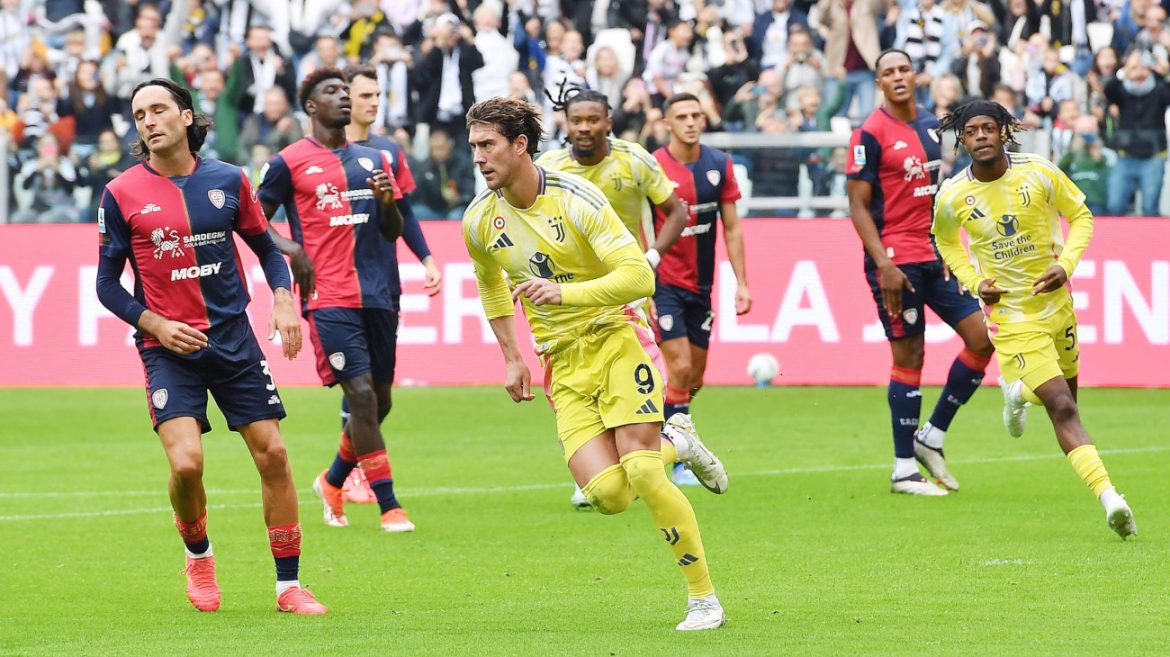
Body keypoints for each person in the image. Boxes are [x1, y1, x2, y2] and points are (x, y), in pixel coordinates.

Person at [462, 96, 729, 631]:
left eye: (488, 145)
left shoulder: (575, 197)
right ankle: (679, 440)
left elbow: (639, 277)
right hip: (561, 361)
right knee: (607, 495)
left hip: (616, 336)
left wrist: (567, 294)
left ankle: (704, 600)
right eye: (474, 146)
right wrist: (512, 356)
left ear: (520, 145)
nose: (478, 157)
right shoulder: (480, 220)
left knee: (643, 470)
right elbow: (490, 284)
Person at [94, 78, 326, 614]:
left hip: (233, 341)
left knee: (274, 454)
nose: (149, 121)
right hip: (168, 349)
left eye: (158, 109)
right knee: (186, 465)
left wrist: (284, 299)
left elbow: (267, 250)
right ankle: (198, 556)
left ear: (186, 116)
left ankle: (289, 586)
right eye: (140, 115)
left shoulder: (229, 179)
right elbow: (105, 285)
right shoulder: (121, 193)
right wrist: (155, 324)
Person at [933, 99, 1137, 539]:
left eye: (989, 127)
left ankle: (1017, 392)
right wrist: (974, 281)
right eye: (971, 131)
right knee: (1062, 406)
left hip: (1058, 306)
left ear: (1004, 131)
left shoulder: (1039, 171)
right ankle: (1111, 499)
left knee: (1068, 401)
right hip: (1011, 316)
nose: (981, 136)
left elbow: (1081, 215)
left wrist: (1065, 264)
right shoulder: (952, 195)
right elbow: (945, 241)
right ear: (962, 140)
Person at [257, 67, 412, 533]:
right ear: (310, 106)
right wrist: (293, 249)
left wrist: (388, 204)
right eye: (333, 91)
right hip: (327, 295)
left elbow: (393, 231)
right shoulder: (287, 162)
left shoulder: (374, 159)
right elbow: (254, 221)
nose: (344, 97)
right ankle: (389, 506)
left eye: (347, 90)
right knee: (360, 395)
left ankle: (332, 480)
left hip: (377, 293)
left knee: (380, 402)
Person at [845, 49, 995, 496]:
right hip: (895, 262)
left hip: (934, 255)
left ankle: (932, 435)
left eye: (903, 69)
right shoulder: (869, 133)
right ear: (878, 82)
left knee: (983, 337)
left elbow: (937, 198)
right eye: (888, 72)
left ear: (915, 76)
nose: (897, 77)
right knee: (910, 357)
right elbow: (857, 205)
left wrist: (947, 247)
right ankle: (903, 469)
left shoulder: (933, 125)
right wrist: (883, 263)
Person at [536, 84, 690, 508]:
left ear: (608, 122)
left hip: (624, 289)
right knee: (574, 380)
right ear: (566, 124)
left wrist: (651, 257)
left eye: (593, 119)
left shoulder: (634, 160)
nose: (584, 128)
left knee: (625, 374)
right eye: (576, 120)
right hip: (570, 292)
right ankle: (604, 462)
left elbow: (677, 211)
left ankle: (652, 450)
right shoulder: (548, 168)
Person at [334, 63, 444, 505]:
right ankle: (360, 477)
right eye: (365, 95)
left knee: (382, 396)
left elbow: (405, 211)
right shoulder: (320, 155)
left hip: (383, 282)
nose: (374, 103)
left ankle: (338, 473)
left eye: (377, 95)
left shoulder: (388, 152)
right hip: (339, 288)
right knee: (358, 387)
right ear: (344, 99)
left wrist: (427, 258)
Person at [650, 92, 752, 476]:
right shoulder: (653, 166)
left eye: (696, 115)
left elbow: (733, 227)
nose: (691, 122)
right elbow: (640, 224)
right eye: (682, 116)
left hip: (701, 287)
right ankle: (677, 461)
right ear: (667, 123)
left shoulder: (719, 164)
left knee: (694, 378)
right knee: (678, 368)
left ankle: (661, 435)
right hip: (663, 283)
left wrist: (742, 283)